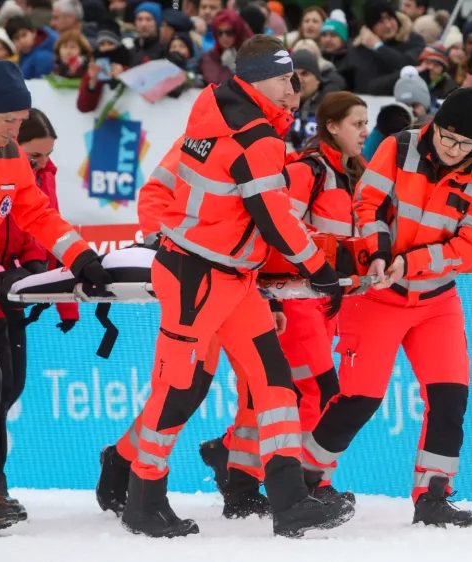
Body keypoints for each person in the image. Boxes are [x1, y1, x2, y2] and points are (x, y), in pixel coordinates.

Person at [107, 35, 354, 540]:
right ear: (263, 78)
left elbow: (248, 209)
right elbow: (272, 218)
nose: (295, 87)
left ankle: (290, 502)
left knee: (275, 383)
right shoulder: (255, 135)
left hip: (231, 278)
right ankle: (143, 497)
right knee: (177, 390)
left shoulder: (214, 114)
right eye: (288, 78)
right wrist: (318, 268)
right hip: (196, 275)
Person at [300, 87, 472, 528]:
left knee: (449, 398)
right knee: (359, 399)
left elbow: (470, 247)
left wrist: (411, 262)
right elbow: (366, 201)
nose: (450, 148)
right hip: (377, 295)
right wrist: (380, 250)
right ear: (436, 124)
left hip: (436, 300)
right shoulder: (400, 145)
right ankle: (306, 481)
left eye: (462, 144)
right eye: (445, 136)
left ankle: (433, 495)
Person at [0, 60, 111, 534]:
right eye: (9, 121)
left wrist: (81, 257)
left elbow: (37, 212)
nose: (16, 130)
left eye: (22, 121)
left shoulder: (10, 155)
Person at [202, 91, 369, 519]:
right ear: (331, 127)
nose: (365, 132)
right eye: (357, 124)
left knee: (272, 395)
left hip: (320, 301)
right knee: (316, 390)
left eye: (366, 124)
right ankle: (313, 482)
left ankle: (237, 471)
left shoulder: (349, 175)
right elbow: (277, 228)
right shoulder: (308, 171)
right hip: (293, 299)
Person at [0, 108, 76, 522]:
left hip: (11, 293)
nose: (41, 164)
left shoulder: (44, 173)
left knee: (10, 387)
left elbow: (44, 227)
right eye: (35, 156)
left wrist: (40, 271)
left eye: (46, 156)